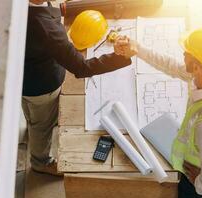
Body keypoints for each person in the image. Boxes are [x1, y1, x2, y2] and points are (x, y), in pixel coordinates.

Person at [115, 27, 202, 198]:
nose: (183, 55)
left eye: (186, 53)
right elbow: (171, 66)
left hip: (200, 188)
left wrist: (198, 183)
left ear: (196, 67)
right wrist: (138, 49)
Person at [24, 0, 131, 175]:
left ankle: (32, 128)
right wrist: (120, 56)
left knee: (33, 115)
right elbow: (82, 68)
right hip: (41, 86)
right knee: (42, 124)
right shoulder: (47, 28)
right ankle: (40, 162)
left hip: (24, 75)